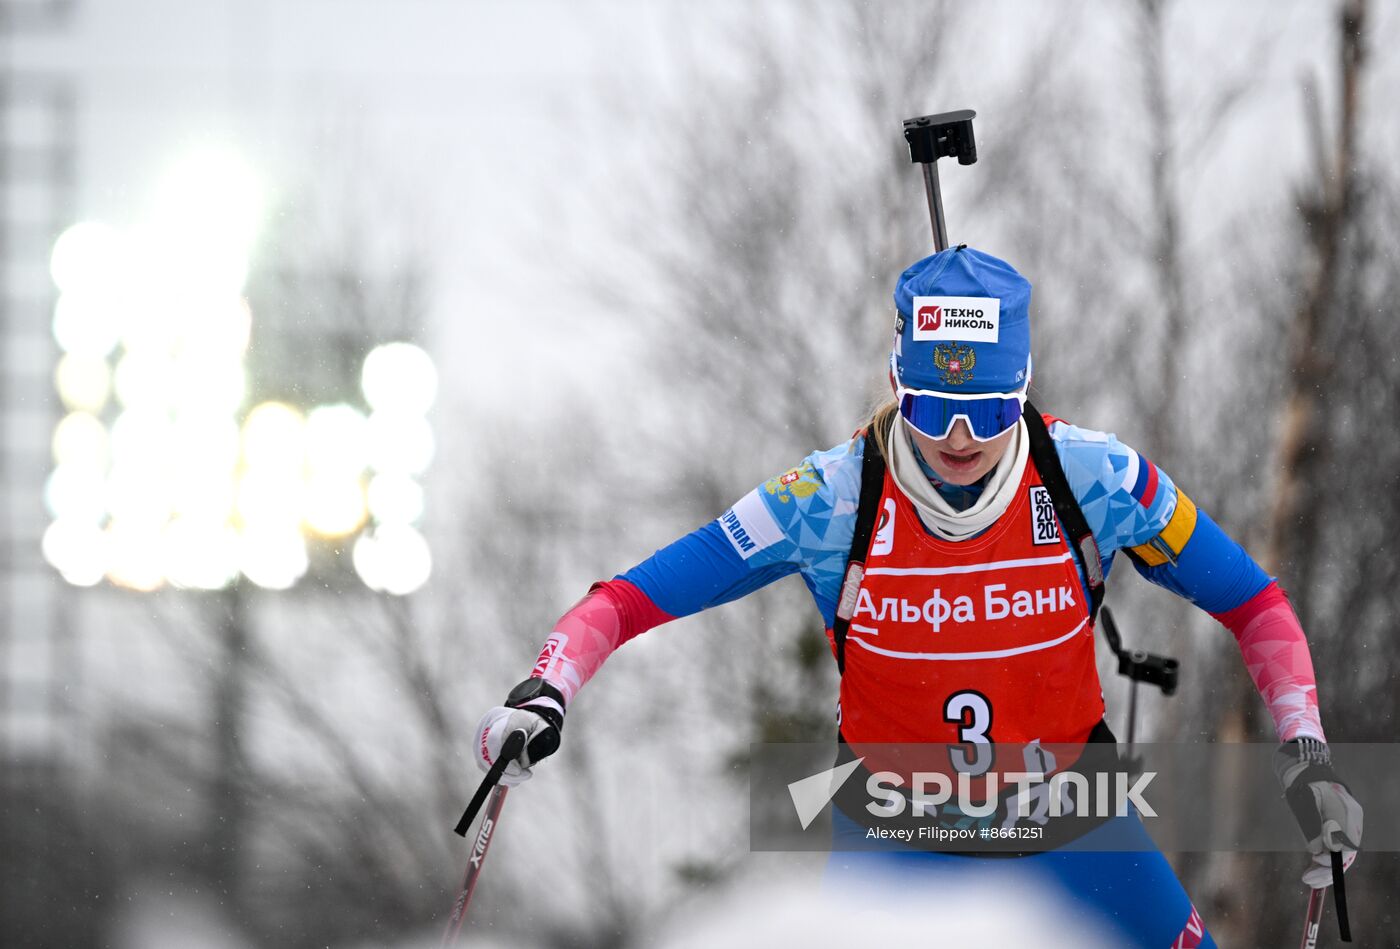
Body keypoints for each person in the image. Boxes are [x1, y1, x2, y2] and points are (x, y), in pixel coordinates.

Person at [472, 246, 1362, 946]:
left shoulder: (1096, 477)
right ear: (898, 384)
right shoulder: (828, 499)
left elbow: (1256, 605)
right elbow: (629, 600)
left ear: (1024, 386)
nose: (962, 439)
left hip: (1076, 822)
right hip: (898, 835)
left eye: (989, 408)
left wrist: (1308, 753)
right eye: (935, 408)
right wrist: (546, 686)